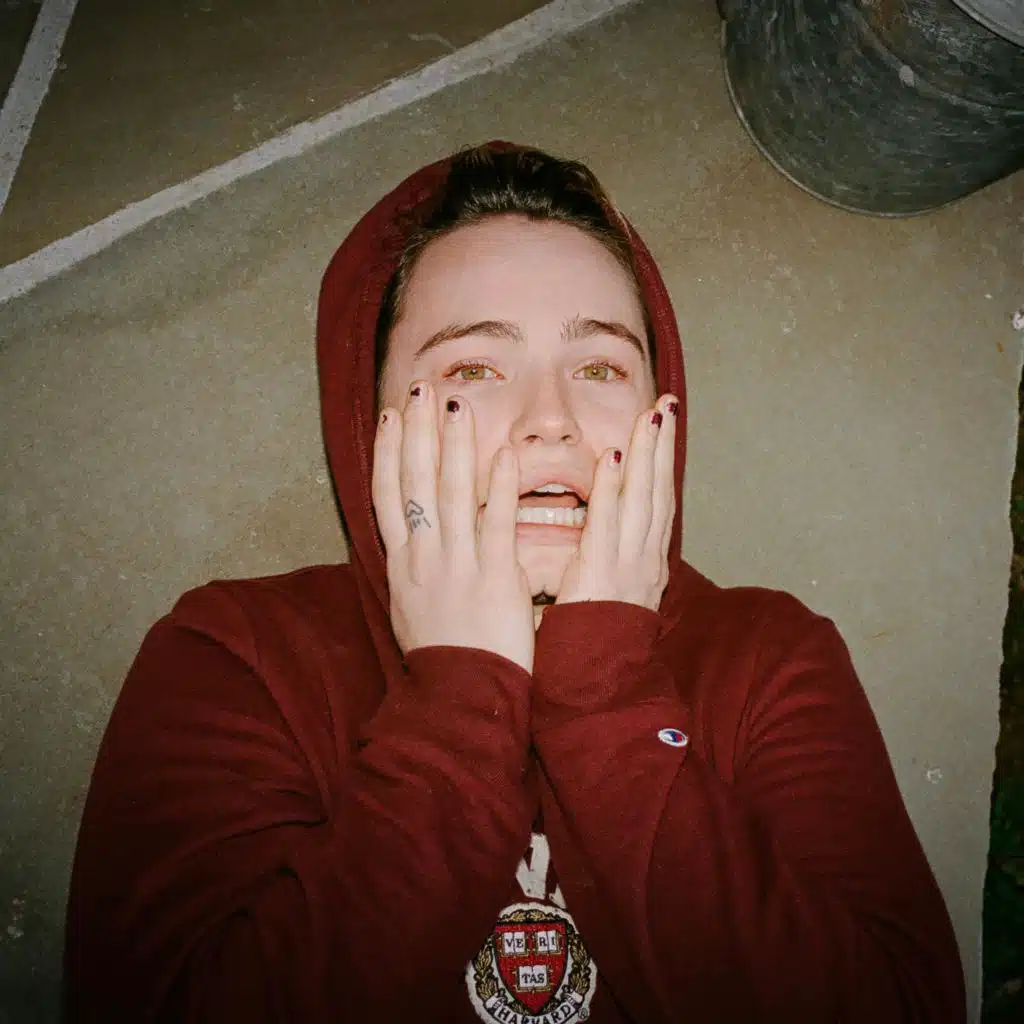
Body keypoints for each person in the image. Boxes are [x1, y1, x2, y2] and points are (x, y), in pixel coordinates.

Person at [63, 142, 965, 1022]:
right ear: (373, 418)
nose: (551, 419)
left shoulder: (770, 655)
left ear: (661, 410)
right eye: (474, 368)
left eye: (601, 366)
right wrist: (458, 701)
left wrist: (606, 687)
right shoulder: (237, 654)